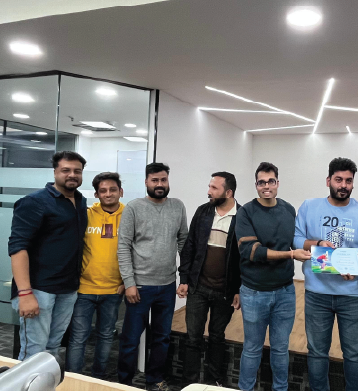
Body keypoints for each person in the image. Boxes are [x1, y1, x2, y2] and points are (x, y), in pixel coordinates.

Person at [294, 157, 358, 391]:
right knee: (318, 352)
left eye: (348, 181)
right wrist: (318, 242)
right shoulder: (309, 206)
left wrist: (357, 267)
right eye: (338, 179)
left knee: (354, 354)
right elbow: (297, 239)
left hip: (353, 296)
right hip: (316, 293)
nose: (343, 185)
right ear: (328, 180)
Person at [235, 162, 311, 391]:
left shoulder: (288, 209)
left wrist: (317, 245)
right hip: (254, 292)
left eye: (271, 181)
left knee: (280, 348)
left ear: (277, 183)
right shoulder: (245, 212)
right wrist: (290, 254)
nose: (266, 186)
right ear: (256, 185)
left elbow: (297, 242)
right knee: (252, 348)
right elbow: (252, 251)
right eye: (261, 182)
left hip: (285, 292)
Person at [8, 151, 88, 360]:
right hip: (38, 289)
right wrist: (24, 293)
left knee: (52, 348)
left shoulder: (80, 201)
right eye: (66, 170)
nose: (72, 175)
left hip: (67, 289)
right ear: (54, 172)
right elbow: (17, 248)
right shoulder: (34, 202)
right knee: (33, 351)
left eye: (77, 171)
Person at [117, 163, 189, 390]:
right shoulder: (134, 207)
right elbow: (123, 247)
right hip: (139, 286)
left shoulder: (177, 206)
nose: (160, 184)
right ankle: (125, 382)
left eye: (163, 180)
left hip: (167, 286)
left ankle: (154, 380)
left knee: (161, 337)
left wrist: (184, 277)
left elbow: (183, 242)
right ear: (146, 182)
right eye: (155, 180)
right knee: (130, 339)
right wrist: (129, 283)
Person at [177, 172, 242, 386]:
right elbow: (190, 246)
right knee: (193, 338)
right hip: (198, 288)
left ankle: (215, 382)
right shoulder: (203, 212)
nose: (209, 191)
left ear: (229, 192)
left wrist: (239, 290)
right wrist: (184, 278)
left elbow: (243, 259)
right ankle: (190, 383)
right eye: (209, 186)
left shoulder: (242, 216)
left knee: (217, 337)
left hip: (224, 291)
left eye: (214, 188)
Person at [66, 172, 125, 378]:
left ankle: (98, 377)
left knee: (106, 336)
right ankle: (73, 378)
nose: (108, 194)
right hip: (84, 288)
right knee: (78, 336)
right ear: (97, 194)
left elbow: (136, 250)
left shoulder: (129, 216)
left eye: (112, 190)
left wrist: (128, 281)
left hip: (114, 290)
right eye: (103, 191)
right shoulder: (86, 214)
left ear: (121, 191)